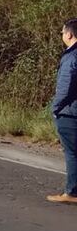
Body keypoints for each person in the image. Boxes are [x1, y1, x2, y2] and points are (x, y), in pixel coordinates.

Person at [49, 19, 77, 203]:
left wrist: (55, 108)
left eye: (62, 32)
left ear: (69, 34)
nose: (62, 36)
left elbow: (65, 87)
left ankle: (72, 192)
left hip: (70, 113)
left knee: (72, 153)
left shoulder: (71, 56)